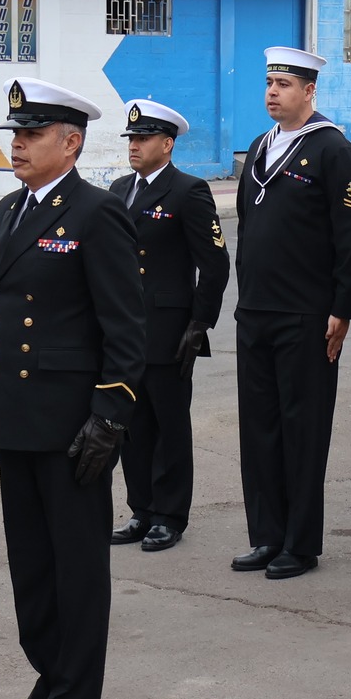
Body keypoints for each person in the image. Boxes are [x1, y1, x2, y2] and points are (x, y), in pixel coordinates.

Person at [0, 79, 145, 699]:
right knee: (32, 564)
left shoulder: (96, 213)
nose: (15, 143)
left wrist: (109, 414)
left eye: (31, 134)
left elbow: (126, 325)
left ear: (70, 142)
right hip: (17, 416)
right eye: (14, 132)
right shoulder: (10, 209)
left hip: (72, 425)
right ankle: (49, 680)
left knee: (76, 566)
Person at [232, 47, 351, 580]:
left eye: (284, 84)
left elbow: (350, 236)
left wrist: (341, 309)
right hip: (257, 311)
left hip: (306, 315)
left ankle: (300, 542)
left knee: (302, 428)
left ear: (309, 91)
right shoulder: (261, 147)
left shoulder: (333, 150)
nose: (272, 92)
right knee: (259, 427)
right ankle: (266, 534)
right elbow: (247, 226)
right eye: (269, 82)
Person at [107, 100, 229, 553]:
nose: (134, 146)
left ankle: (170, 515)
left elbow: (213, 263)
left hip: (169, 329)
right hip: (125, 331)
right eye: (131, 139)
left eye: (142, 139)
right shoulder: (120, 190)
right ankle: (141, 510)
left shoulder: (188, 191)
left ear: (167, 144)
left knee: (169, 427)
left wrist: (200, 323)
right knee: (131, 426)